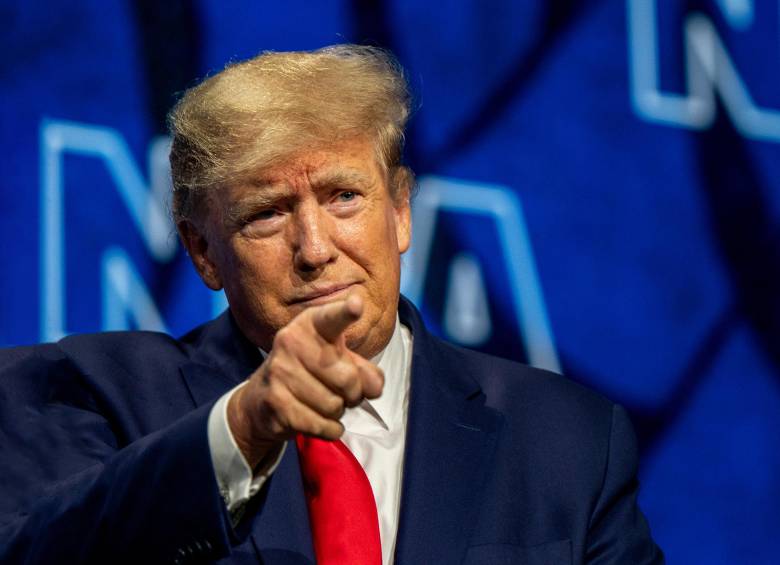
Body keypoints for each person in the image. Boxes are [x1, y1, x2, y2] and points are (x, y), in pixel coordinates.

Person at [0, 45, 663, 564]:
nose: (315, 248)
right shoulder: (93, 392)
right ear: (203, 252)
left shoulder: (567, 440)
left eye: (344, 196)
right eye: (266, 214)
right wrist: (243, 428)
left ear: (401, 211)